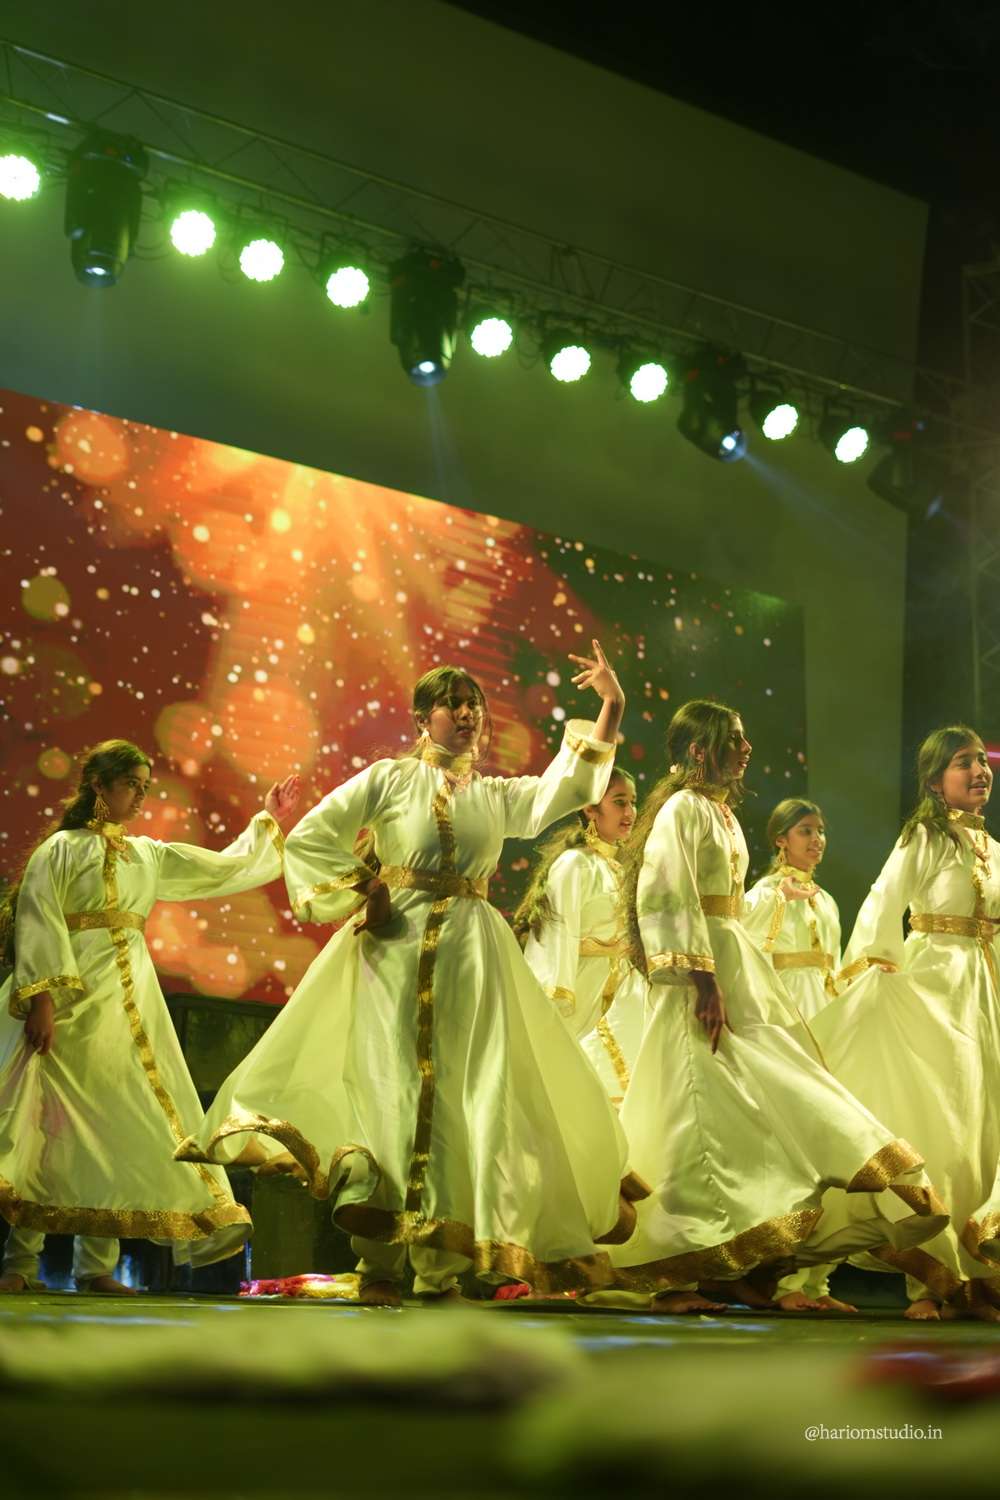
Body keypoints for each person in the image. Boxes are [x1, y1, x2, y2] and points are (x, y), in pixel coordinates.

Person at [177, 644, 647, 1306]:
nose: (467, 714)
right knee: (390, 1096)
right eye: (452, 704)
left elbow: (567, 788)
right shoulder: (389, 780)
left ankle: (439, 1272)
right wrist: (366, 888)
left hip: (472, 957)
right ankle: (378, 1265)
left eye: (473, 704)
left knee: (463, 1100)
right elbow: (312, 837)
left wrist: (611, 706)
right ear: (423, 718)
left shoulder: (494, 796)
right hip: (393, 951)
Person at [608, 699, 946, 1315]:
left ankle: (745, 1266)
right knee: (692, 1111)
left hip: (734, 967)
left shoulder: (721, 813)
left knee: (753, 1111)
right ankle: (675, 1271)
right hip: (702, 975)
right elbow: (666, 892)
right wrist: (702, 981)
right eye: (734, 738)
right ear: (699, 749)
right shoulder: (683, 809)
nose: (746, 748)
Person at [0, 739, 300, 1294]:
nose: (139, 796)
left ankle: (96, 1267)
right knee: (48, 1126)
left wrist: (267, 822)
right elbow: (37, 919)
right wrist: (40, 1000)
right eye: (130, 784)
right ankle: (19, 1264)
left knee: (117, 1124)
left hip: (127, 1011)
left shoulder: (147, 855)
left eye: (144, 786)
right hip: (68, 1003)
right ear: (98, 784)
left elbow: (220, 869)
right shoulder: (61, 849)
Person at [810, 725, 1000, 1321]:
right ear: (935, 780)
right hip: (933, 989)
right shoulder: (927, 835)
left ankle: (977, 1276)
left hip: (982, 990)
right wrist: (876, 966)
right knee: (942, 1122)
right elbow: (885, 898)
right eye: (963, 762)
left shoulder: (993, 847)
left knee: (980, 1130)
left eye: (982, 760)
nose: (979, 771)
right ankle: (933, 1284)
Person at [743, 798, 854, 1313]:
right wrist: (778, 902)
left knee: (828, 1149)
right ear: (781, 839)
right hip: (785, 1019)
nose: (817, 839)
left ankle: (815, 1284)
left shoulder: (825, 900)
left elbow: (834, 966)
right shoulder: (763, 893)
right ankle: (781, 1282)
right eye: (805, 830)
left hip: (825, 1021)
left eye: (821, 830)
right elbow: (744, 949)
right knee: (792, 1150)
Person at [515, 769, 646, 1105]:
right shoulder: (574, 865)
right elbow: (556, 935)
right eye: (619, 802)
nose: (630, 812)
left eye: (632, 802)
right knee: (582, 1077)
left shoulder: (620, 867)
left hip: (621, 990)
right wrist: (557, 999)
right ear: (590, 808)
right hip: (582, 988)